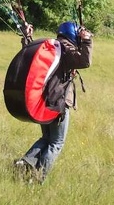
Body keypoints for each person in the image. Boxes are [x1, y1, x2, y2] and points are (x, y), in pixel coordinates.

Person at [13, 20, 93, 183]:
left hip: (43, 102)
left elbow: (30, 54)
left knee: (47, 138)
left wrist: (27, 37)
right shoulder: (66, 49)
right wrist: (87, 41)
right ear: (73, 35)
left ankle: (26, 161)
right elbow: (85, 61)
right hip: (58, 103)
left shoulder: (52, 46)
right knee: (56, 143)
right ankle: (37, 178)